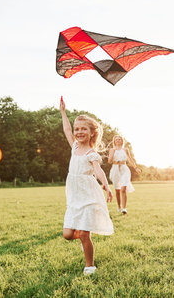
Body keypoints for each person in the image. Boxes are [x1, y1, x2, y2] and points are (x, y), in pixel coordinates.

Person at [59, 96, 114, 276]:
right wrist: (63, 112)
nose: (79, 131)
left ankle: (89, 265)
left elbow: (98, 171)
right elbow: (66, 129)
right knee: (68, 234)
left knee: (84, 233)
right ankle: (85, 241)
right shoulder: (74, 147)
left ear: (92, 133)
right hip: (75, 195)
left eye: (84, 129)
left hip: (88, 194)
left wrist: (106, 185)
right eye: (77, 129)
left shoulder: (91, 153)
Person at [108, 135, 141, 214]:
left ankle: (124, 208)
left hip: (124, 169)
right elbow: (109, 161)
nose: (118, 140)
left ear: (122, 141)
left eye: (120, 139)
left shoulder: (125, 149)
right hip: (115, 169)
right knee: (117, 190)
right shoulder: (112, 150)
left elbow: (130, 159)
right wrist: (112, 155)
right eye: (116, 139)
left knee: (123, 189)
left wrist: (136, 168)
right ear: (114, 141)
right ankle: (119, 206)